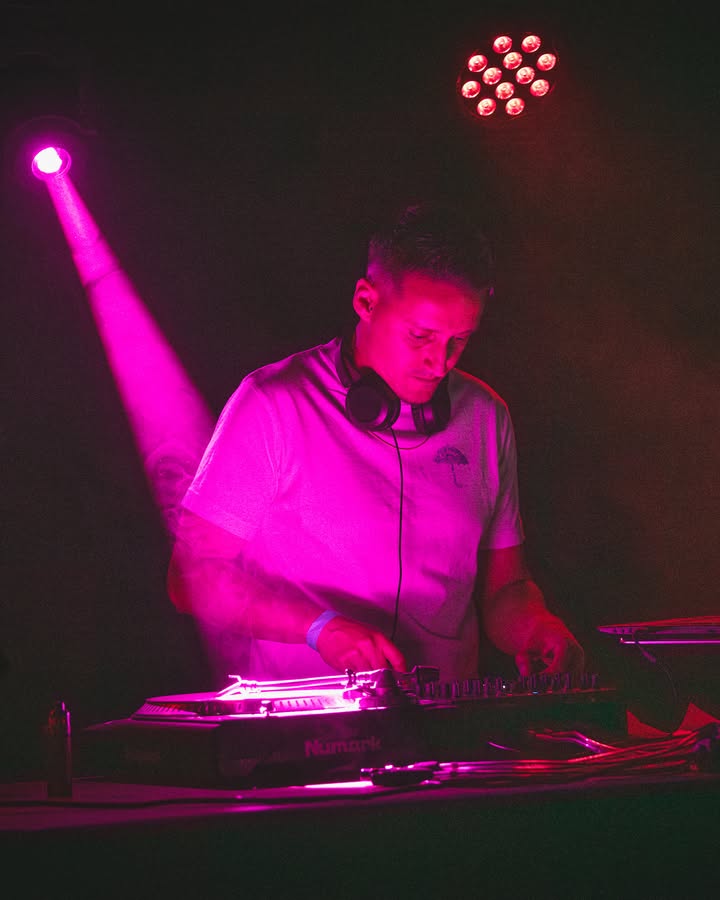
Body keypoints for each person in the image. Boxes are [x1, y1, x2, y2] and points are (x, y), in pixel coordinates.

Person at [167, 201, 584, 683]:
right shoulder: (275, 405)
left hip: (446, 717)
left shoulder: (485, 417)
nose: (440, 363)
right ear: (366, 302)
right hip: (307, 715)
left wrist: (537, 627)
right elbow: (191, 577)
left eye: (459, 340)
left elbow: (505, 588)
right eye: (421, 336)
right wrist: (319, 628)